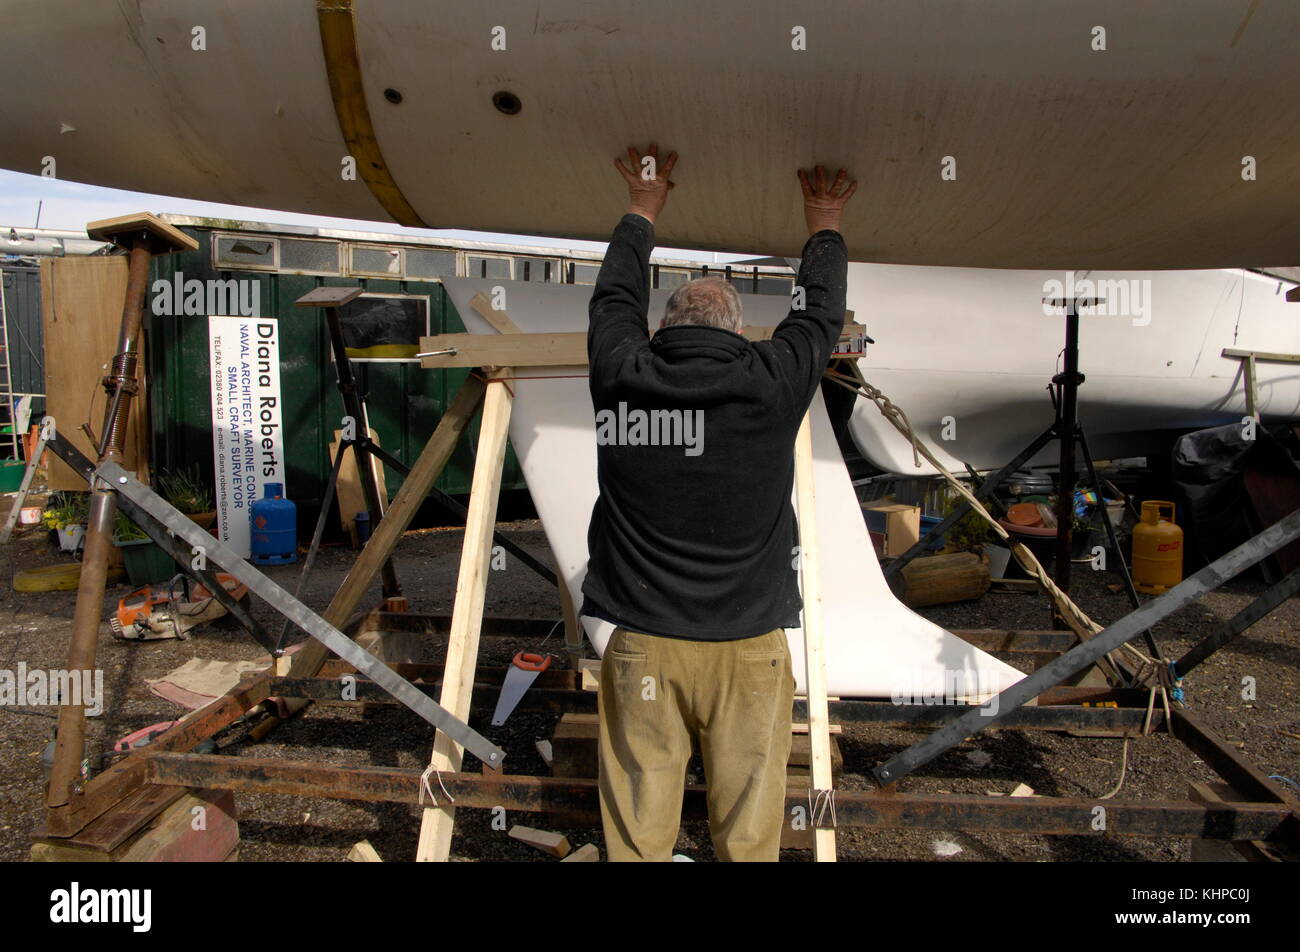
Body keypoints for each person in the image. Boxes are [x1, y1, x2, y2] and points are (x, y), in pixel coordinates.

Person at [583, 143, 855, 861]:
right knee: (749, 833)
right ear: (736, 333)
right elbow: (819, 316)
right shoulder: (771, 380)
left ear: (663, 328)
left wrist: (645, 207)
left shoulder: (622, 372)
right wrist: (823, 221)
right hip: (749, 653)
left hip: (644, 642)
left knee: (639, 834)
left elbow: (612, 298)